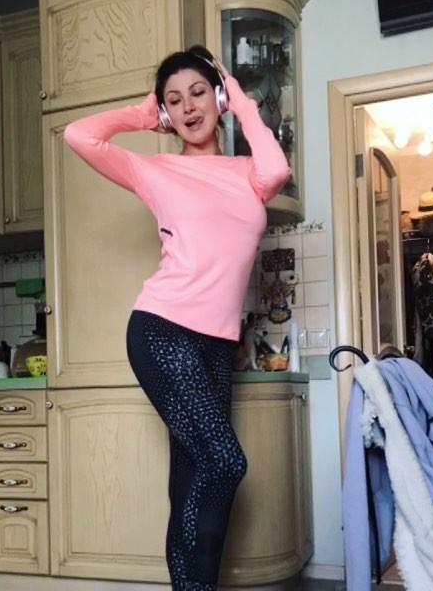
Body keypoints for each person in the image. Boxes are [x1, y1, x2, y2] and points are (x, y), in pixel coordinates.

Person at [63, 44, 290, 590]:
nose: (188, 107)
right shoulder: (155, 169)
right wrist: (141, 116)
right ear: (165, 111)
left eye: (198, 92)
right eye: (173, 99)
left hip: (217, 344)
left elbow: (278, 168)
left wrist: (241, 101)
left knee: (193, 475)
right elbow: (78, 135)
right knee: (226, 463)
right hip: (163, 330)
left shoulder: (247, 172)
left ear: (217, 98)